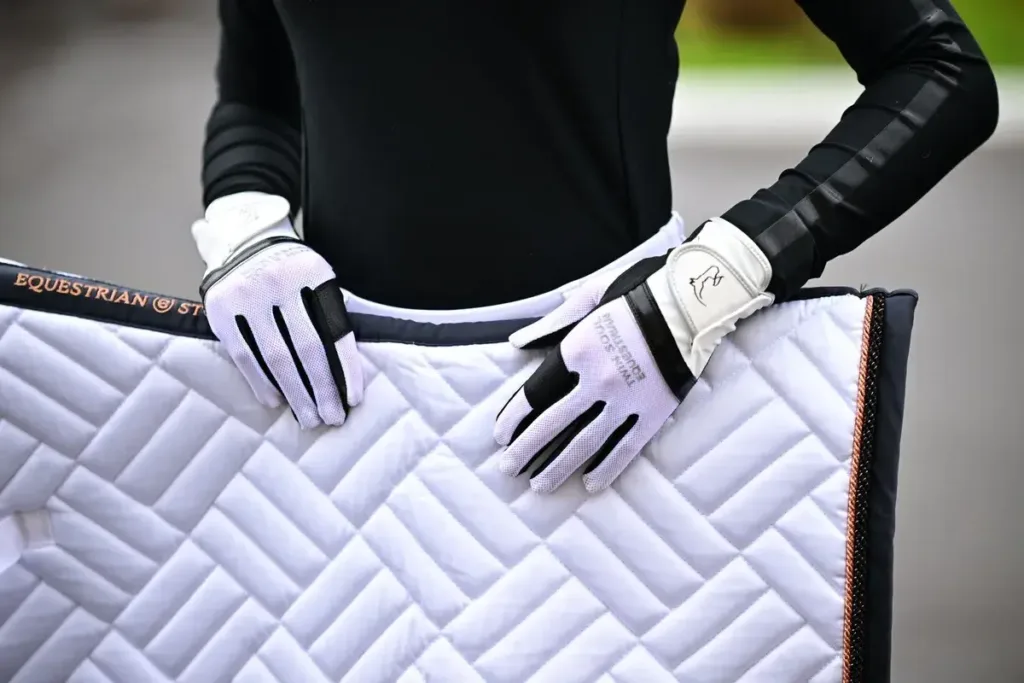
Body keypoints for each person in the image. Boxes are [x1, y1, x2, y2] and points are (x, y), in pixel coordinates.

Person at [191, 0, 998, 494]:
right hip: (333, 414)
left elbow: (940, 69)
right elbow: (259, 94)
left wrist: (709, 286)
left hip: (617, 389)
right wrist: (245, 222)